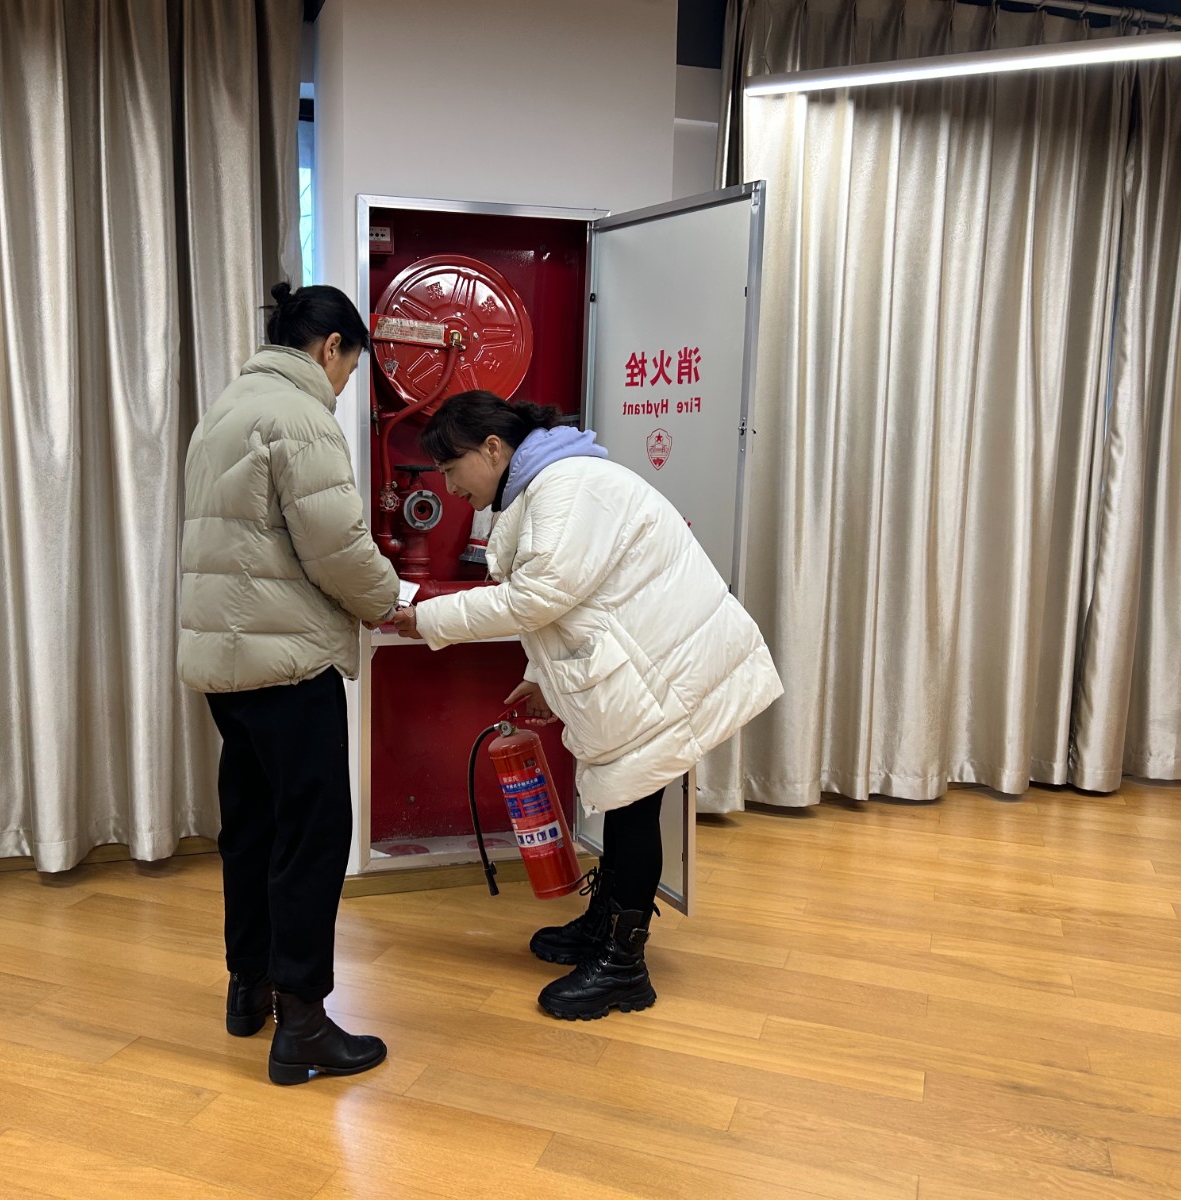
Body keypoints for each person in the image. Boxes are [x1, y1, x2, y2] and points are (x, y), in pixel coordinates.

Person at [390, 391, 782, 1020]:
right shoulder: (547, 485)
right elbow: (569, 601)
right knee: (627, 803)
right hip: (647, 667)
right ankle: (606, 929)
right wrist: (542, 679)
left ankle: (625, 966)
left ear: (492, 448)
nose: (449, 485)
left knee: (633, 808)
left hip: (665, 669)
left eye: (451, 466)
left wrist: (430, 618)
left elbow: (539, 596)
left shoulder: (565, 485)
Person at [179, 281, 399, 1084]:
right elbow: (337, 547)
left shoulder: (226, 408)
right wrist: (390, 602)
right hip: (285, 663)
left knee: (252, 827)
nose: (344, 387)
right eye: (350, 370)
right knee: (311, 835)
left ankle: (250, 989)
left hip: (227, 665)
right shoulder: (301, 416)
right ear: (331, 347)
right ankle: (301, 1022)